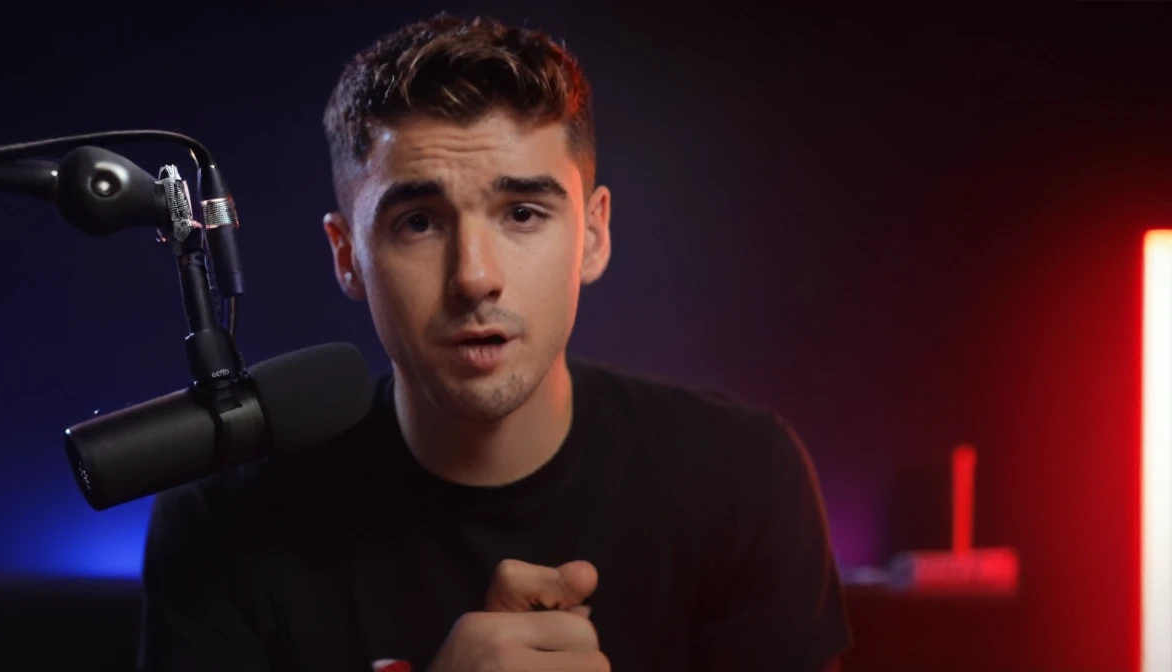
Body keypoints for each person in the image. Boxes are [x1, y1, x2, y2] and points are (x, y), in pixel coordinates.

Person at [140, 13, 850, 672]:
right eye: (419, 222)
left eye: (522, 212)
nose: (475, 278)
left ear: (594, 234)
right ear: (347, 254)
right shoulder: (224, 518)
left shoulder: (741, 480)